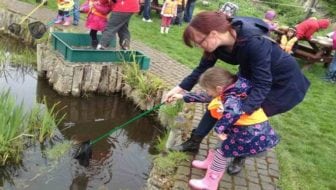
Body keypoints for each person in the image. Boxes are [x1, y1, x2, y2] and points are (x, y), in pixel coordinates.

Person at [164, 11, 310, 175]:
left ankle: (239, 155)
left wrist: (240, 112)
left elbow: (263, 83)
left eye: (199, 42)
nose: (199, 47)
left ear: (213, 34)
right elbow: (201, 69)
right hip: (252, 74)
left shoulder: (253, 42)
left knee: (246, 121)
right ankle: (194, 141)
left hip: (283, 85)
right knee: (217, 104)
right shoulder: (216, 45)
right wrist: (179, 89)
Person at [171, 67, 280, 190]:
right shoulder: (232, 87)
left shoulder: (232, 97)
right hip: (246, 128)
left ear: (218, 89)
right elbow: (207, 97)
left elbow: (232, 113)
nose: (207, 93)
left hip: (250, 134)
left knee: (221, 153)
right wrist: (183, 97)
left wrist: (219, 129)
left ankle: (210, 183)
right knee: (220, 146)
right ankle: (209, 163)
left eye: (207, 90)